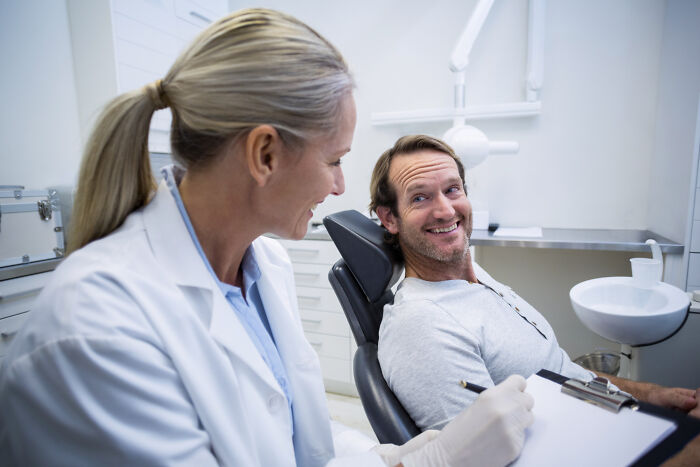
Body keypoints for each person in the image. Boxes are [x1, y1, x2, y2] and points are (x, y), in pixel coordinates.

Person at [0, 9, 535, 467]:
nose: (339, 185)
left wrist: (401, 455)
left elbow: (300, 442)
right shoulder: (98, 331)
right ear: (265, 155)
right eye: (334, 160)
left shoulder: (263, 269)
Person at [370, 134, 700, 432]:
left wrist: (651, 395)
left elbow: (563, 372)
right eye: (419, 198)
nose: (445, 210)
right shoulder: (422, 326)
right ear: (389, 218)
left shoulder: (474, 276)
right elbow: (482, 456)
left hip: (606, 416)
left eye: (452, 190)